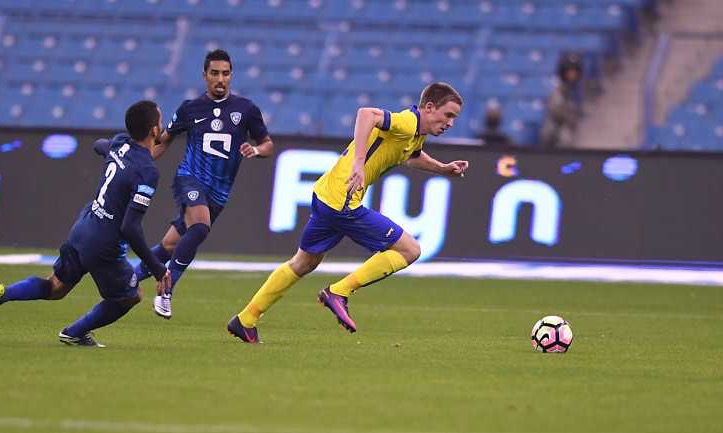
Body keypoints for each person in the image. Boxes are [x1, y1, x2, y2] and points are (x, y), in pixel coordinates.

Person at [227, 82, 470, 343]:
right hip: (344, 201)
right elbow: (367, 114)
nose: (450, 123)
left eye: (454, 118)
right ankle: (339, 292)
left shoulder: (414, 135)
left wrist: (443, 168)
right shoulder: (407, 122)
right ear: (430, 107)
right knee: (409, 250)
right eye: (448, 115)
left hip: (326, 194)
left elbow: (410, 156)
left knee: (304, 262)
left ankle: (245, 320)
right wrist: (358, 163)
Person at [0, 101, 171, 347]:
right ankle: (75, 332)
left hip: (84, 226)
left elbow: (98, 145)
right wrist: (157, 268)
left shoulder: (120, 142)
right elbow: (130, 228)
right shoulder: (147, 172)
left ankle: (5, 293)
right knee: (131, 295)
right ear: (154, 130)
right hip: (103, 244)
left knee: (55, 287)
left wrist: (110, 155)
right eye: (160, 120)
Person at [132, 49, 273, 319]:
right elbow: (163, 141)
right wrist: (137, 160)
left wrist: (256, 150)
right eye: (215, 73)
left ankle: (131, 278)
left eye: (226, 73)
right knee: (199, 227)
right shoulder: (189, 108)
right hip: (190, 178)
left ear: (231, 75)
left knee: (171, 245)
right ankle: (165, 291)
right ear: (205, 76)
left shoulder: (246, 110)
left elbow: (267, 144)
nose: (220, 79)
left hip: (219, 192)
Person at [539, 53, 583, 149]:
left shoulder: (572, 92)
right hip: (554, 138)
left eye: (575, 71)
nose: (573, 75)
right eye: (570, 71)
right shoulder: (557, 90)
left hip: (564, 138)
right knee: (565, 135)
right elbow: (556, 111)